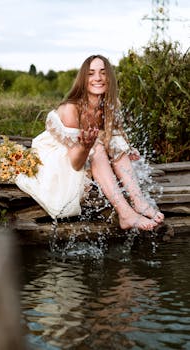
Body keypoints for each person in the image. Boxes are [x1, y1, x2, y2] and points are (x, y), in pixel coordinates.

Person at [16, 54, 164, 231]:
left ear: (109, 77)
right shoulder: (71, 109)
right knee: (96, 147)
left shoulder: (111, 104)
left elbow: (114, 139)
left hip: (88, 153)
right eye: (91, 73)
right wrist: (86, 147)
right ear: (83, 79)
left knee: (117, 146)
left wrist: (126, 150)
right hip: (60, 158)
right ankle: (125, 214)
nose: (98, 78)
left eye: (103, 72)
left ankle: (139, 202)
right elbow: (75, 163)